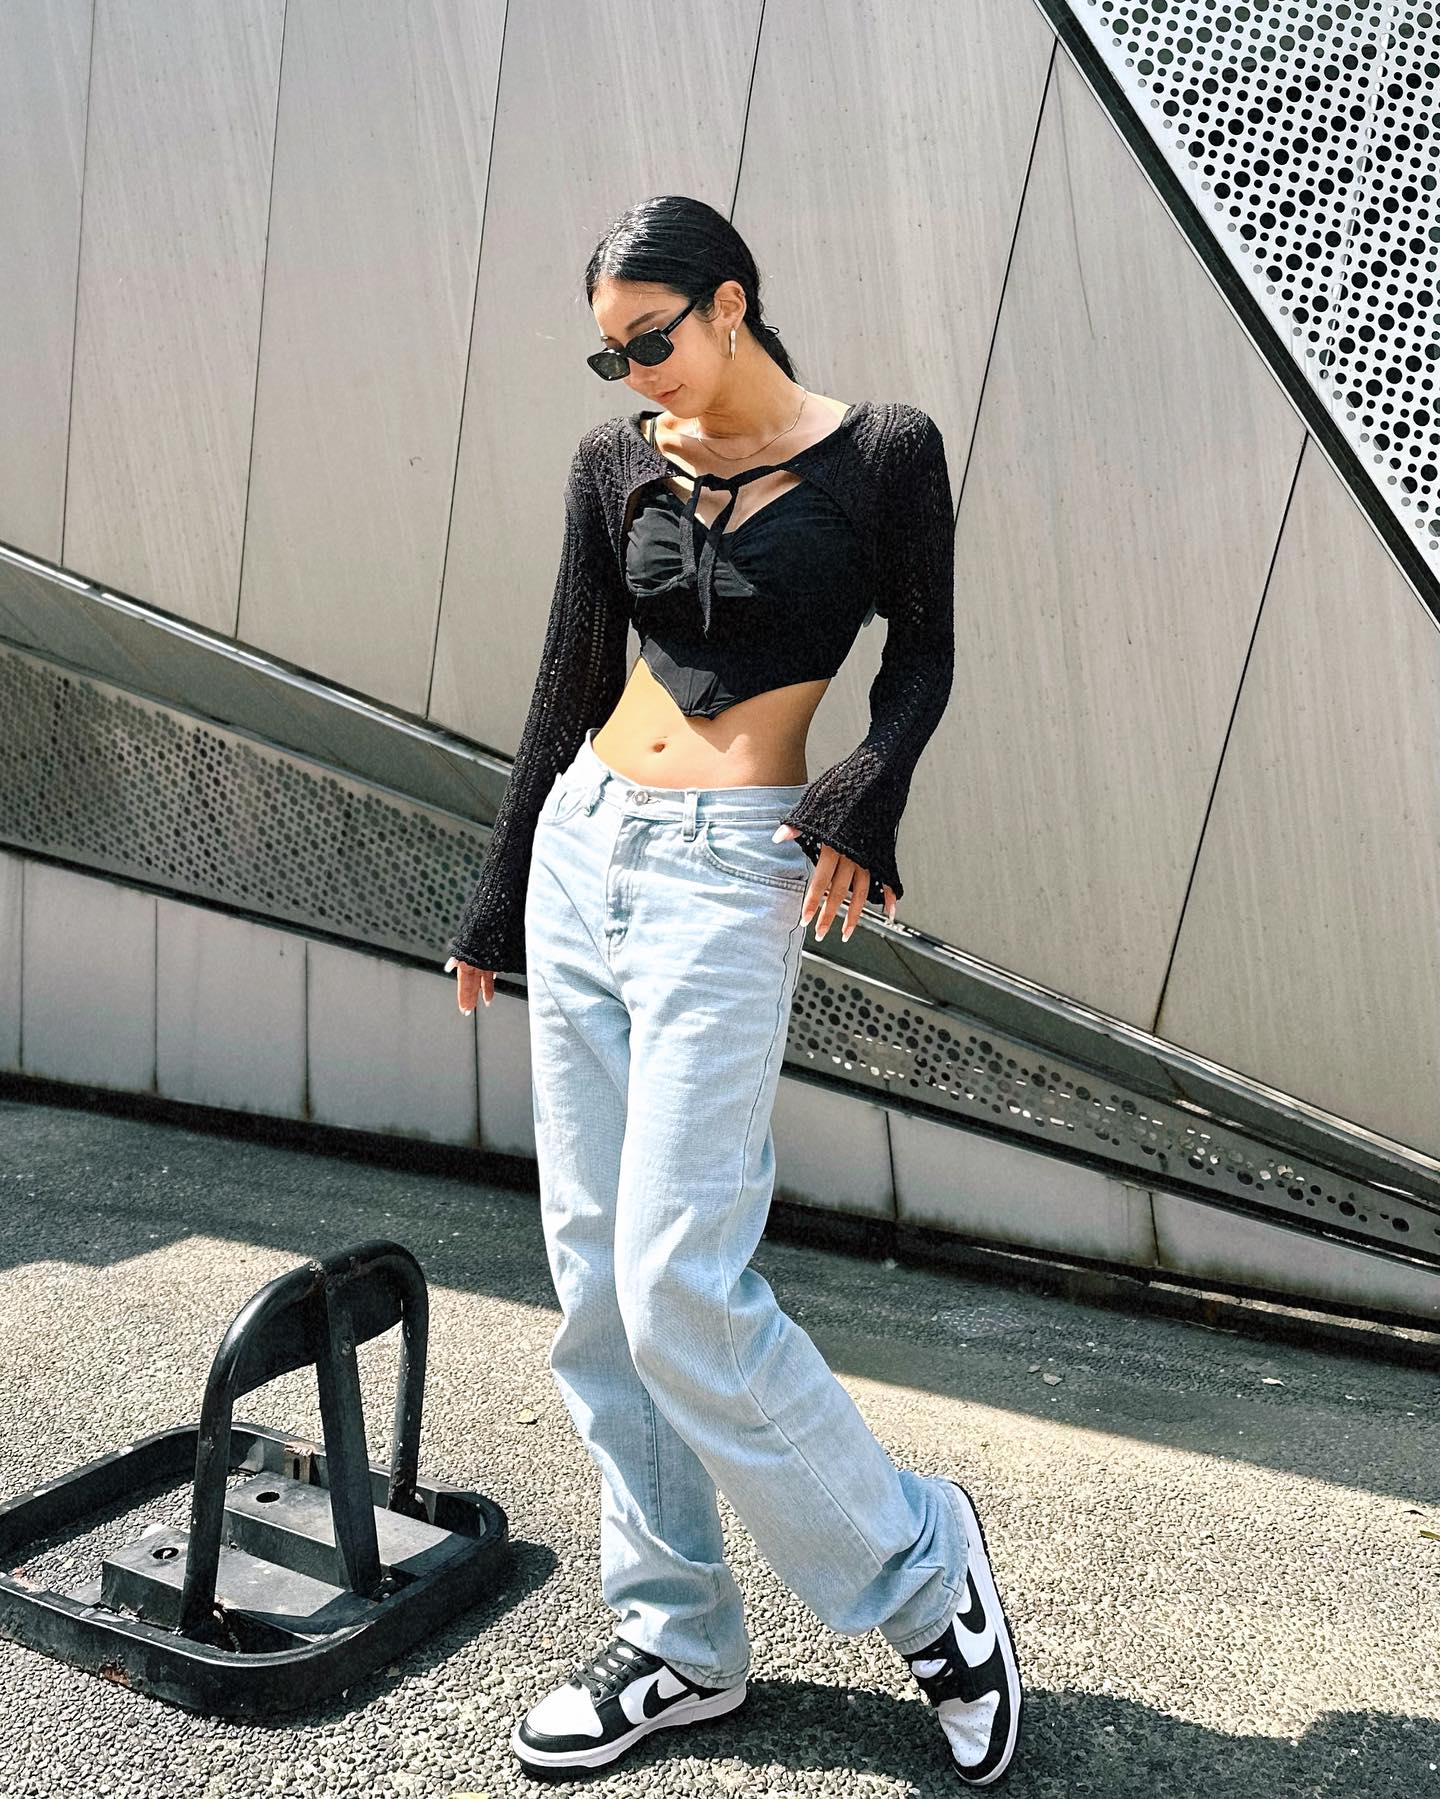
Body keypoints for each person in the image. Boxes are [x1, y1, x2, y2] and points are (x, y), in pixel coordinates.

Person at [443, 194, 1023, 1786]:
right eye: (610, 354)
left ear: (730, 301)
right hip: (585, 852)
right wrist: (497, 898)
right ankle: (679, 1643)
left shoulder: (884, 451)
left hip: (728, 872)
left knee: (680, 1286)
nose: (636, 374)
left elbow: (923, 660)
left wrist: (865, 793)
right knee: (596, 1288)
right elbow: (567, 682)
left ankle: (925, 1573)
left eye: (653, 339)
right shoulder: (613, 462)